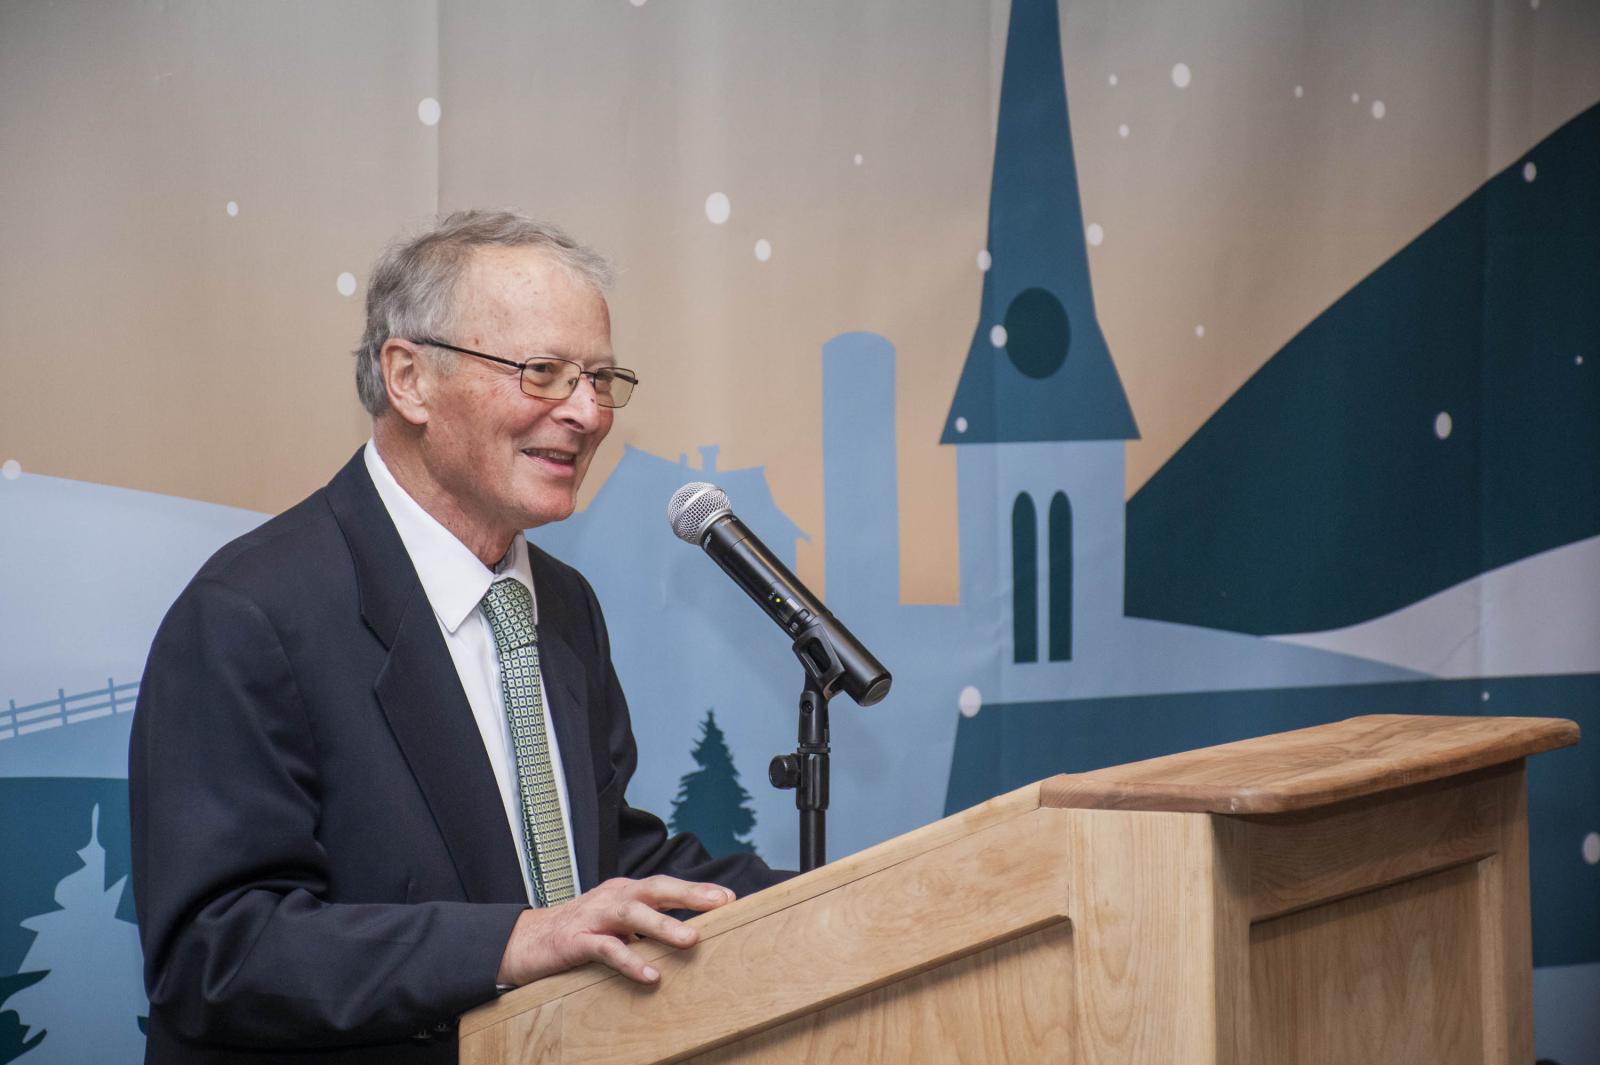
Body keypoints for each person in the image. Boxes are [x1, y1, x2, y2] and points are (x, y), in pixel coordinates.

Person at [129, 210, 791, 1064]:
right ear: (408, 379)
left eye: (600, 377)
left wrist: (853, 894)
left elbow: (586, 857)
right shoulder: (247, 614)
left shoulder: (563, 603)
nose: (588, 413)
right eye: (544, 372)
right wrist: (511, 943)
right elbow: (216, 950)